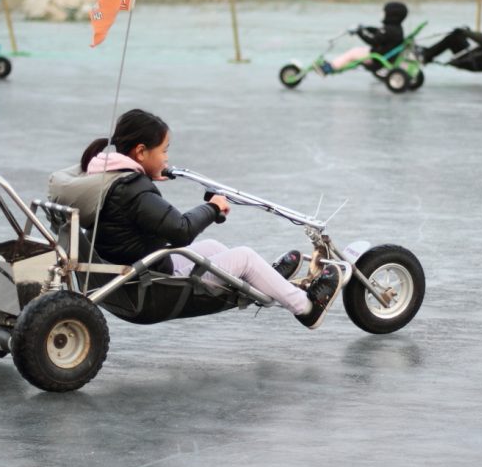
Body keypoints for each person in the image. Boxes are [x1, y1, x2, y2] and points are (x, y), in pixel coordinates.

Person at [49, 108, 343, 330]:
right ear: (140, 152)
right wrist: (213, 208)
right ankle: (306, 307)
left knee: (214, 247)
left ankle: (269, 281)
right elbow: (180, 230)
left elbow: (139, 214)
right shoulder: (132, 190)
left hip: (133, 272)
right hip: (152, 286)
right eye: (163, 151)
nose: (166, 158)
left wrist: (146, 183)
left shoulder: (105, 176)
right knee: (244, 257)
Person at [318, 1, 408, 74]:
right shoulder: (396, 28)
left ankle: (330, 67)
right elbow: (379, 32)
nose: (383, 14)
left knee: (352, 53)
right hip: (384, 53)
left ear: (391, 15)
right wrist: (366, 28)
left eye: (384, 12)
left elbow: (373, 40)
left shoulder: (388, 29)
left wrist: (359, 32)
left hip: (377, 57)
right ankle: (335, 65)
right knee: (358, 50)